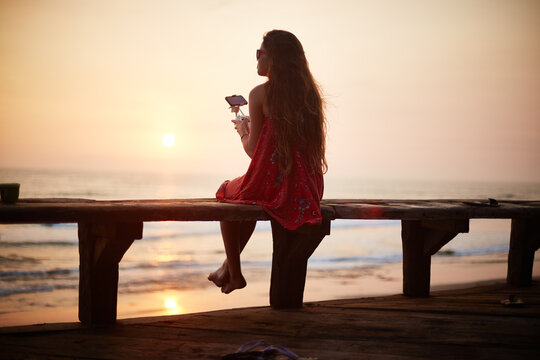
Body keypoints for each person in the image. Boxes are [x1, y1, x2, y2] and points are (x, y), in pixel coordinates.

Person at [208, 30, 327, 294]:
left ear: (274, 58)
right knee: (247, 196)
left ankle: (235, 273)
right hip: (307, 188)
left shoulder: (260, 94)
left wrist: (243, 131)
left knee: (228, 193)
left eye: (259, 53)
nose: (257, 59)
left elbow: (254, 153)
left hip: (274, 185)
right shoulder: (310, 96)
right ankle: (227, 267)